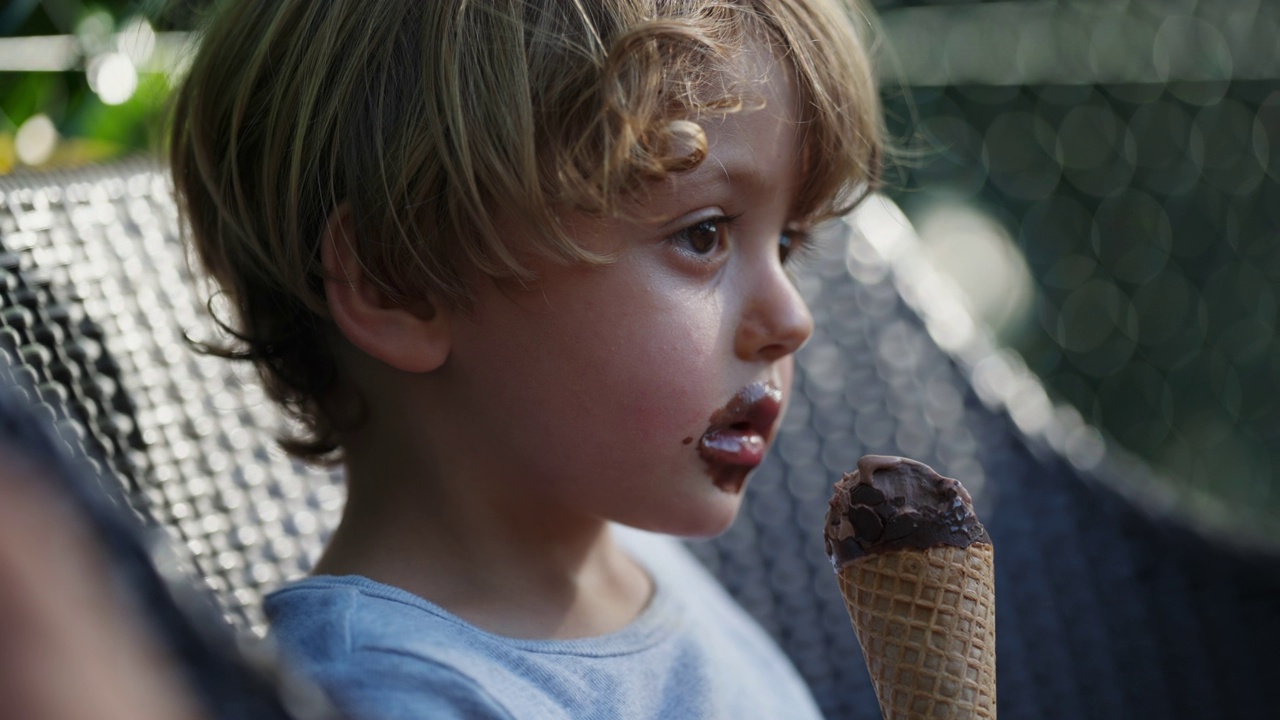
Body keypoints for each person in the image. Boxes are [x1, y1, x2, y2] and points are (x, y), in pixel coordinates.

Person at [170, 1, 882, 717]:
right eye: (703, 235)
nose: (793, 319)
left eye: (787, 243)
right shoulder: (389, 696)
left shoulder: (643, 564)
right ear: (401, 280)